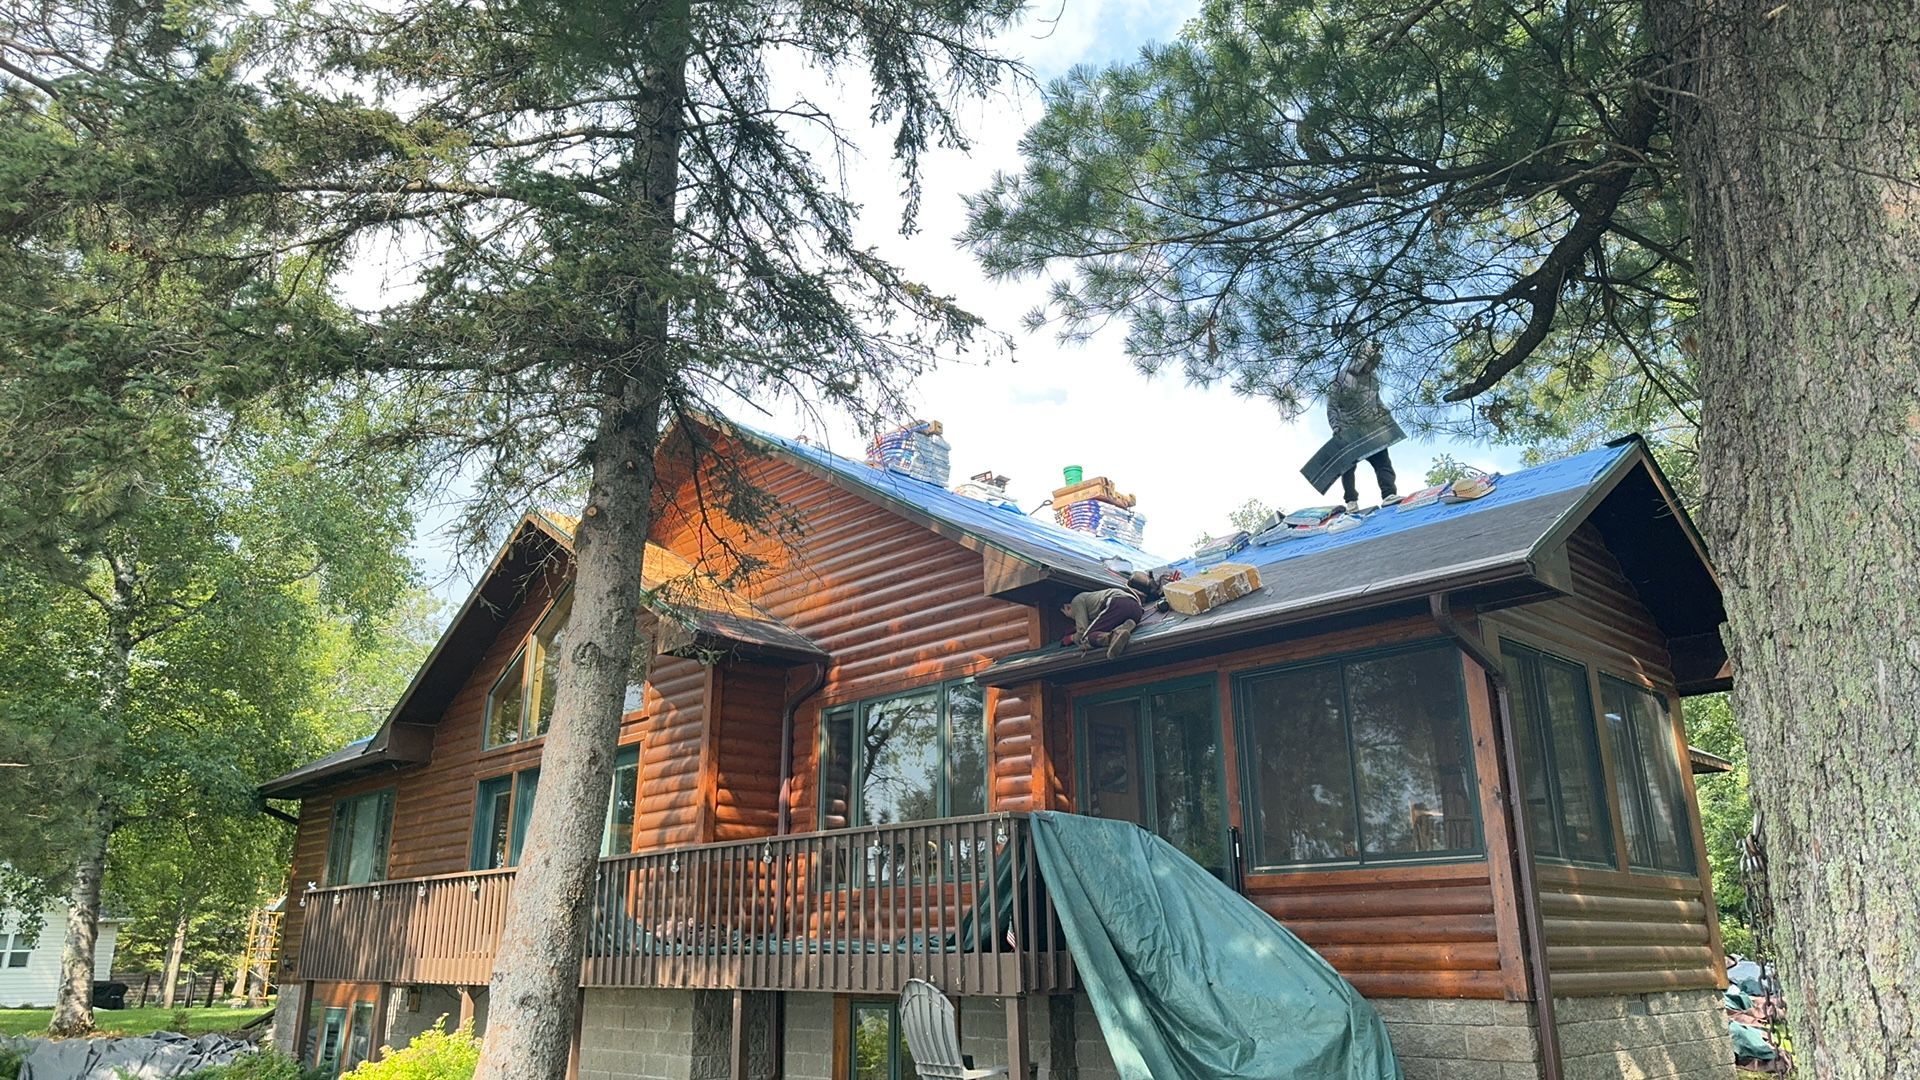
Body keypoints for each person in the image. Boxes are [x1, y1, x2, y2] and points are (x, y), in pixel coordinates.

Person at [1301, 341, 1406, 512]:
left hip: (1369, 426)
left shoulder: (1372, 377)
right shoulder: (1341, 378)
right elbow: (1332, 406)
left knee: (1383, 461)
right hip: (1348, 427)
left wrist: (1383, 410)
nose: (1371, 366)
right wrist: (1336, 427)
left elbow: (1376, 399)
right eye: (1368, 361)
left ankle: (1388, 494)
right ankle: (1351, 500)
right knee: (1347, 467)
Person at [1061, 573, 1158, 659]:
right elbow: (1098, 623)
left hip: (1118, 604)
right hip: (1136, 610)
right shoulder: (1089, 600)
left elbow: (1082, 631)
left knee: (1085, 640)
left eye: (1066, 613)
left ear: (1067, 607)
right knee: (1100, 630)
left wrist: (1071, 638)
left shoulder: (1076, 601)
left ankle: (1112, 637)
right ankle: (1125, 626)